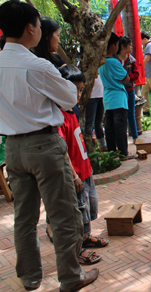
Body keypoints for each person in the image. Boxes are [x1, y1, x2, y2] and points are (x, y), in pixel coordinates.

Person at [0, 1, 98, 291]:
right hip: (44, 145)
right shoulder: (37, 65)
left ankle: (29, 277)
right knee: (63, 214)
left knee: (24, 218)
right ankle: (70, 277)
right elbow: (70, 97)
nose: (42, 31)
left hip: (13, 149)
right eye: (40, 26)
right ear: (31, 28)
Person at [58, 65, 109, 265]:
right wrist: (74, 175)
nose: (78, 95)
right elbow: (62, 150)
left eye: (80, 90)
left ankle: (86, 236)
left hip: (85, 170)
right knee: (78, 211)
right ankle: (78, 249)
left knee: (88, 207)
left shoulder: (73, 111)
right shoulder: (59, 116)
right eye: (74, 91)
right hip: (76, 175)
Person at [99, 32, 137, 160]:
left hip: (108, 99)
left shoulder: (101, 63)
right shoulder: (113, 62)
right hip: (118, 99)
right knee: (120, 127)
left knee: (109, 128)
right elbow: (126, 77)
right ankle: (123, 153)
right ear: (112, 46)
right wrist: (122, 78)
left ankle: (112, 152)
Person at [33, 16, 80, 119]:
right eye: (57, 35)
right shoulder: (34, 63)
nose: (59, 41)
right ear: (47, 35)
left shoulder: (57, 60)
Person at [115, 36, 139, 142]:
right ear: (123, 46)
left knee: (131, 115)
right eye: (130, 45)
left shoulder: (131, 59)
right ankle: (121, 139)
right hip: (118, 92)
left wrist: (126, 76)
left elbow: (136, 74)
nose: (132, 47)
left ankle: (135, 137)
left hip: (129, 90)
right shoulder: (114, 60)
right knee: (120, 116)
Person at [84, 74, 107, 151]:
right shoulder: (86, 66)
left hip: (101, 96)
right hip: (91, 97)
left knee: (99, 122)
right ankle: (89, 147)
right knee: (89, 123)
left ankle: (102, 145)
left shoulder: (99, 66)